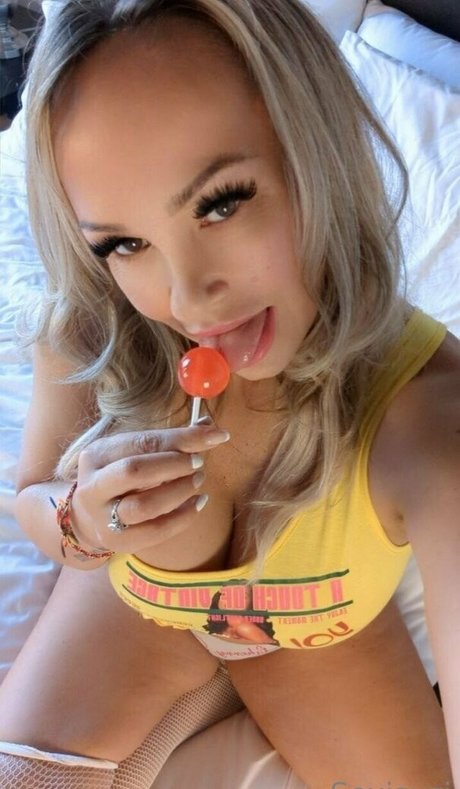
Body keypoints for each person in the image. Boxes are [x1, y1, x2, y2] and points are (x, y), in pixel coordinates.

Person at [0, 0, 458, 785]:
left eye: (221, 203)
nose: (187, 297)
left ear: (315, 147)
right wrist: (84, 522)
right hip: (139, 607)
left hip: (312, 640)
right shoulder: (98, 326)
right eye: (125, 243)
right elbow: (31, 494)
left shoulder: (425, 415)